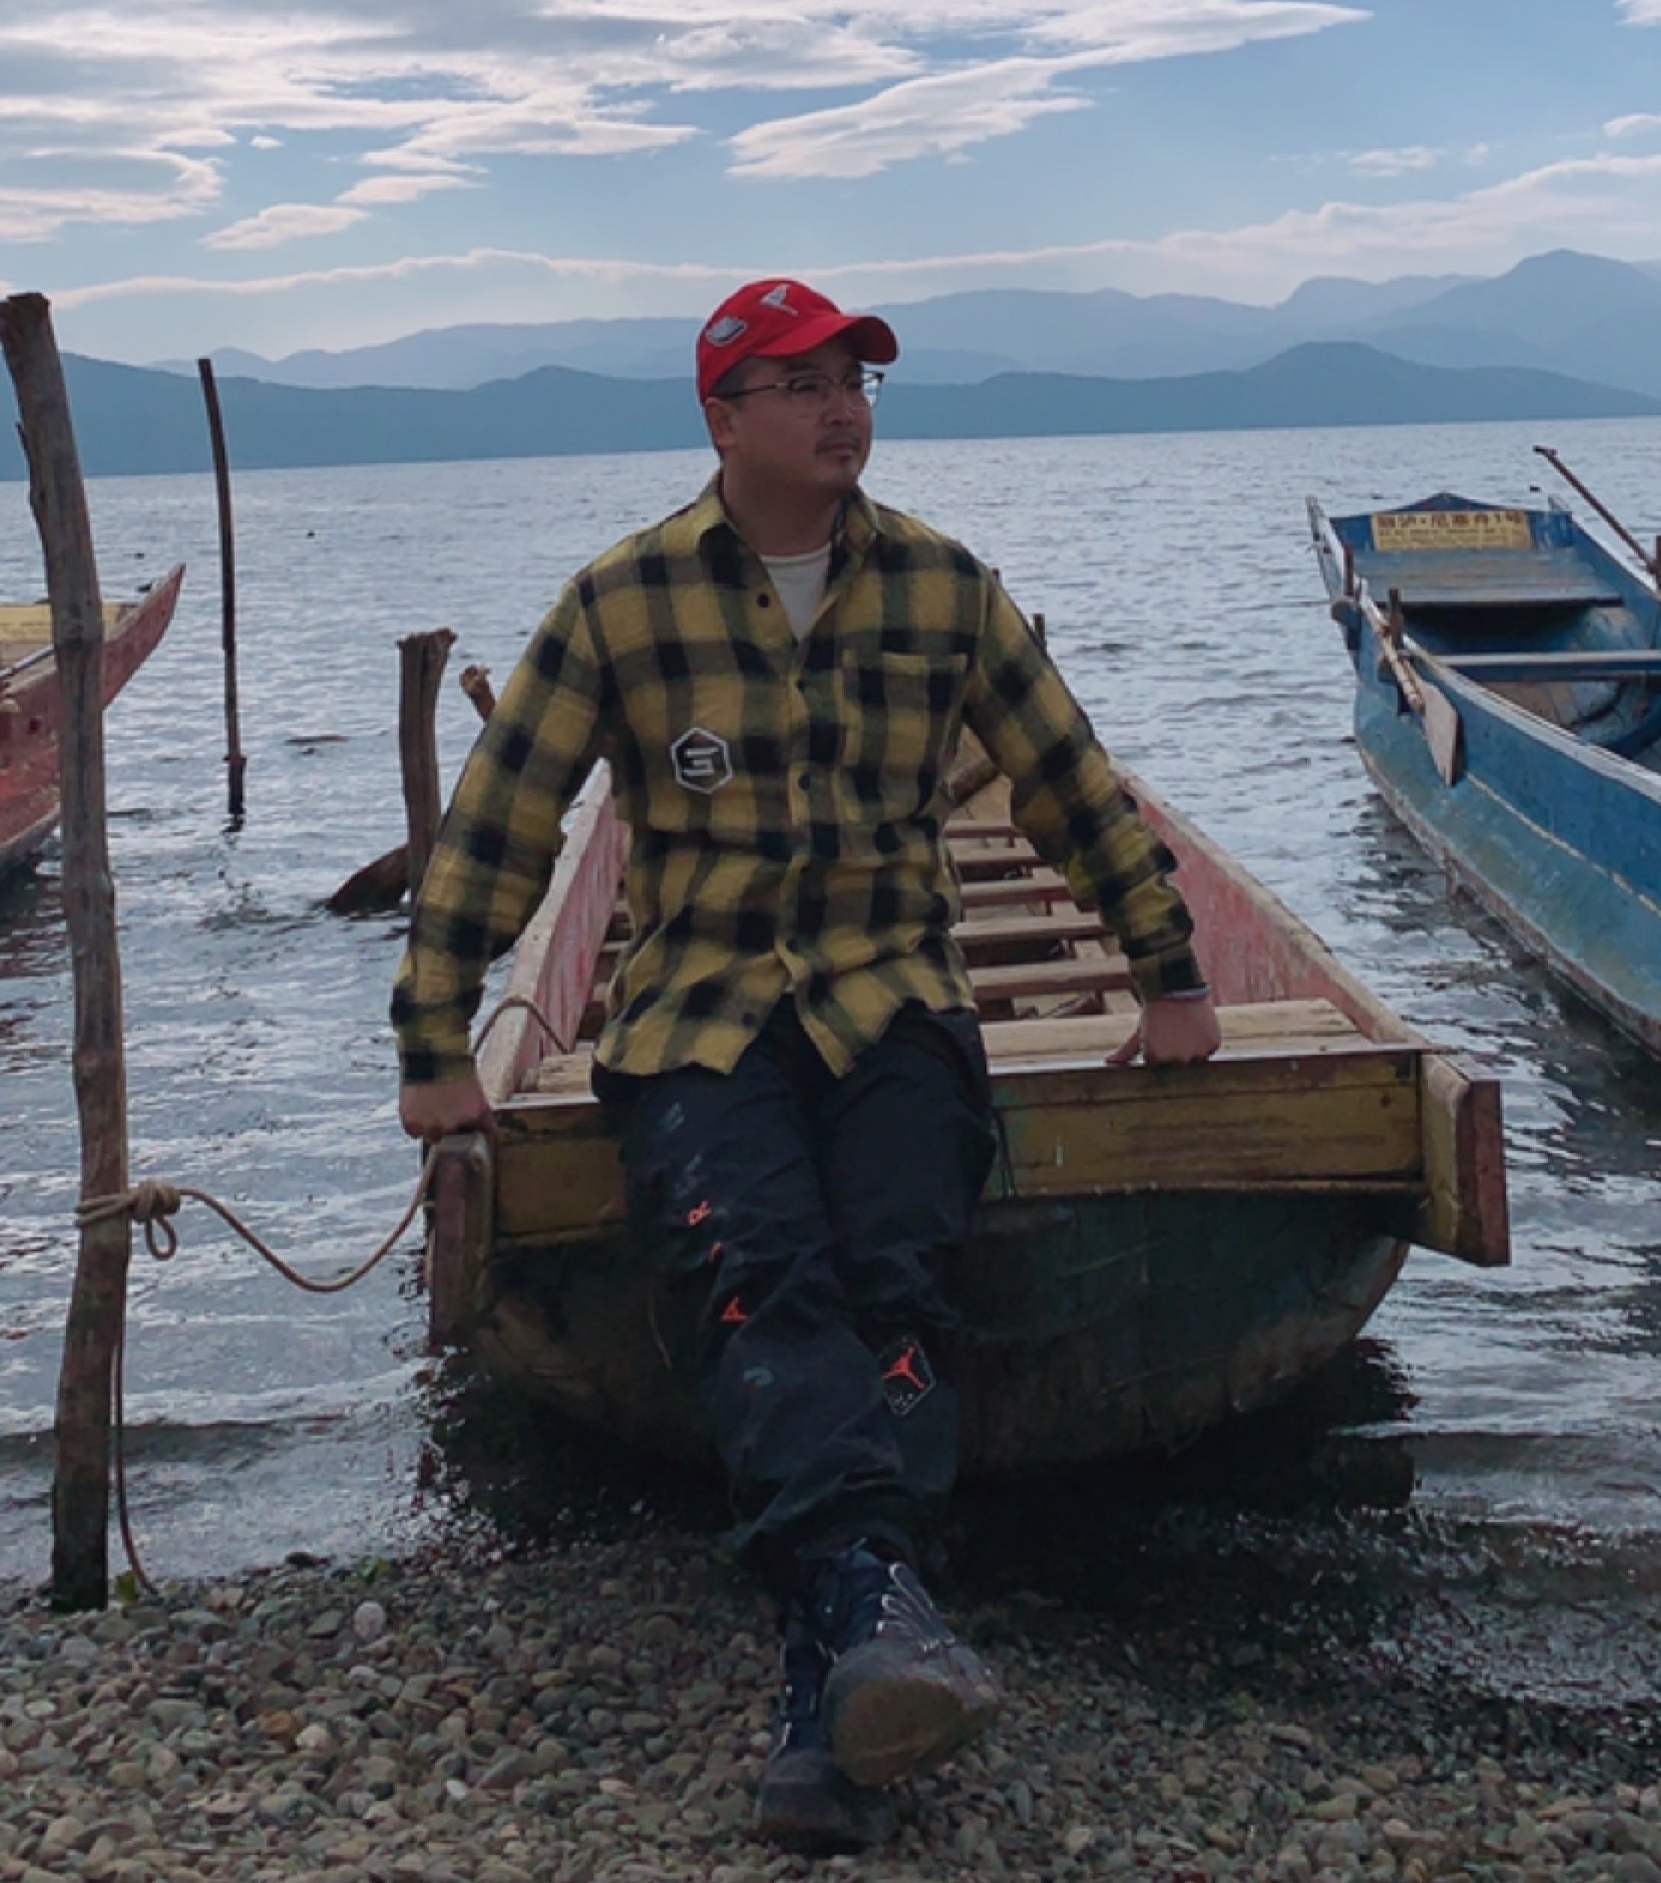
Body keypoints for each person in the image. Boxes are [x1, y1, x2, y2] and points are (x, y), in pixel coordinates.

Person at [393, 277, 1220, 1852]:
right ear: (721, 417)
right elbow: (503, 822)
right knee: (758, 1269)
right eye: (801, 384)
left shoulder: (942, 588)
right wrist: (437, 1037)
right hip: (696, 1015)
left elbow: (1067, 781)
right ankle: (867, 1613)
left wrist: (1166, 970)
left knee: (896, 1283)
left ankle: (823, 1674)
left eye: (855, 381)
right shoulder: (622, 601)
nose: (842, 409)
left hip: (894, 999)